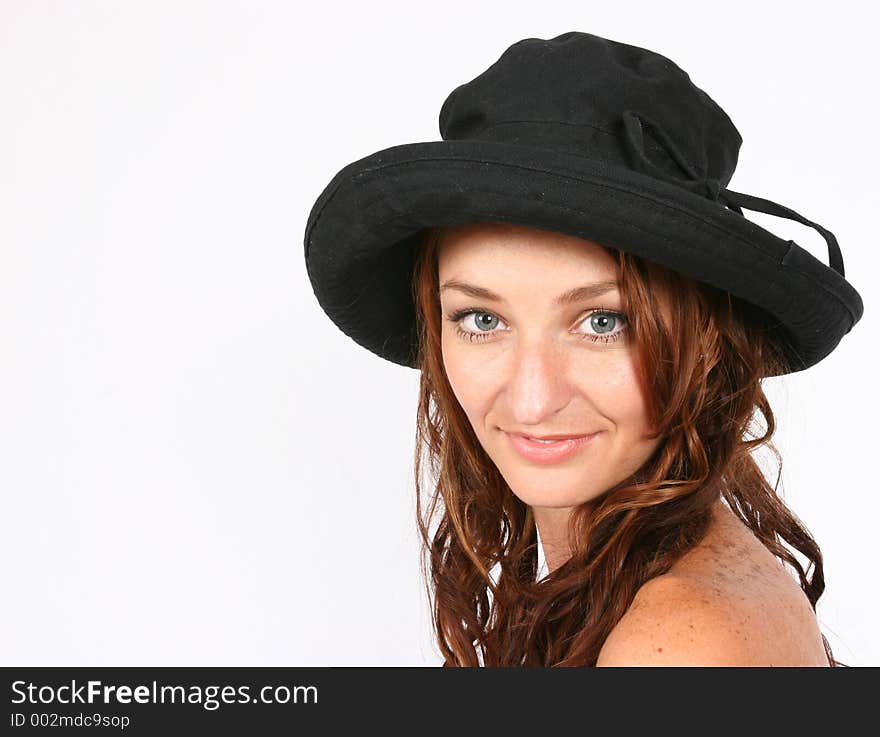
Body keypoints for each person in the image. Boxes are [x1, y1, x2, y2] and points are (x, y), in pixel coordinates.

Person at [304, 31, 864, 666]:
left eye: (602, 322)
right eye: (481, 318)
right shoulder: (649, 592)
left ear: (707, 344)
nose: (534, 399)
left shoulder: (679, 642)